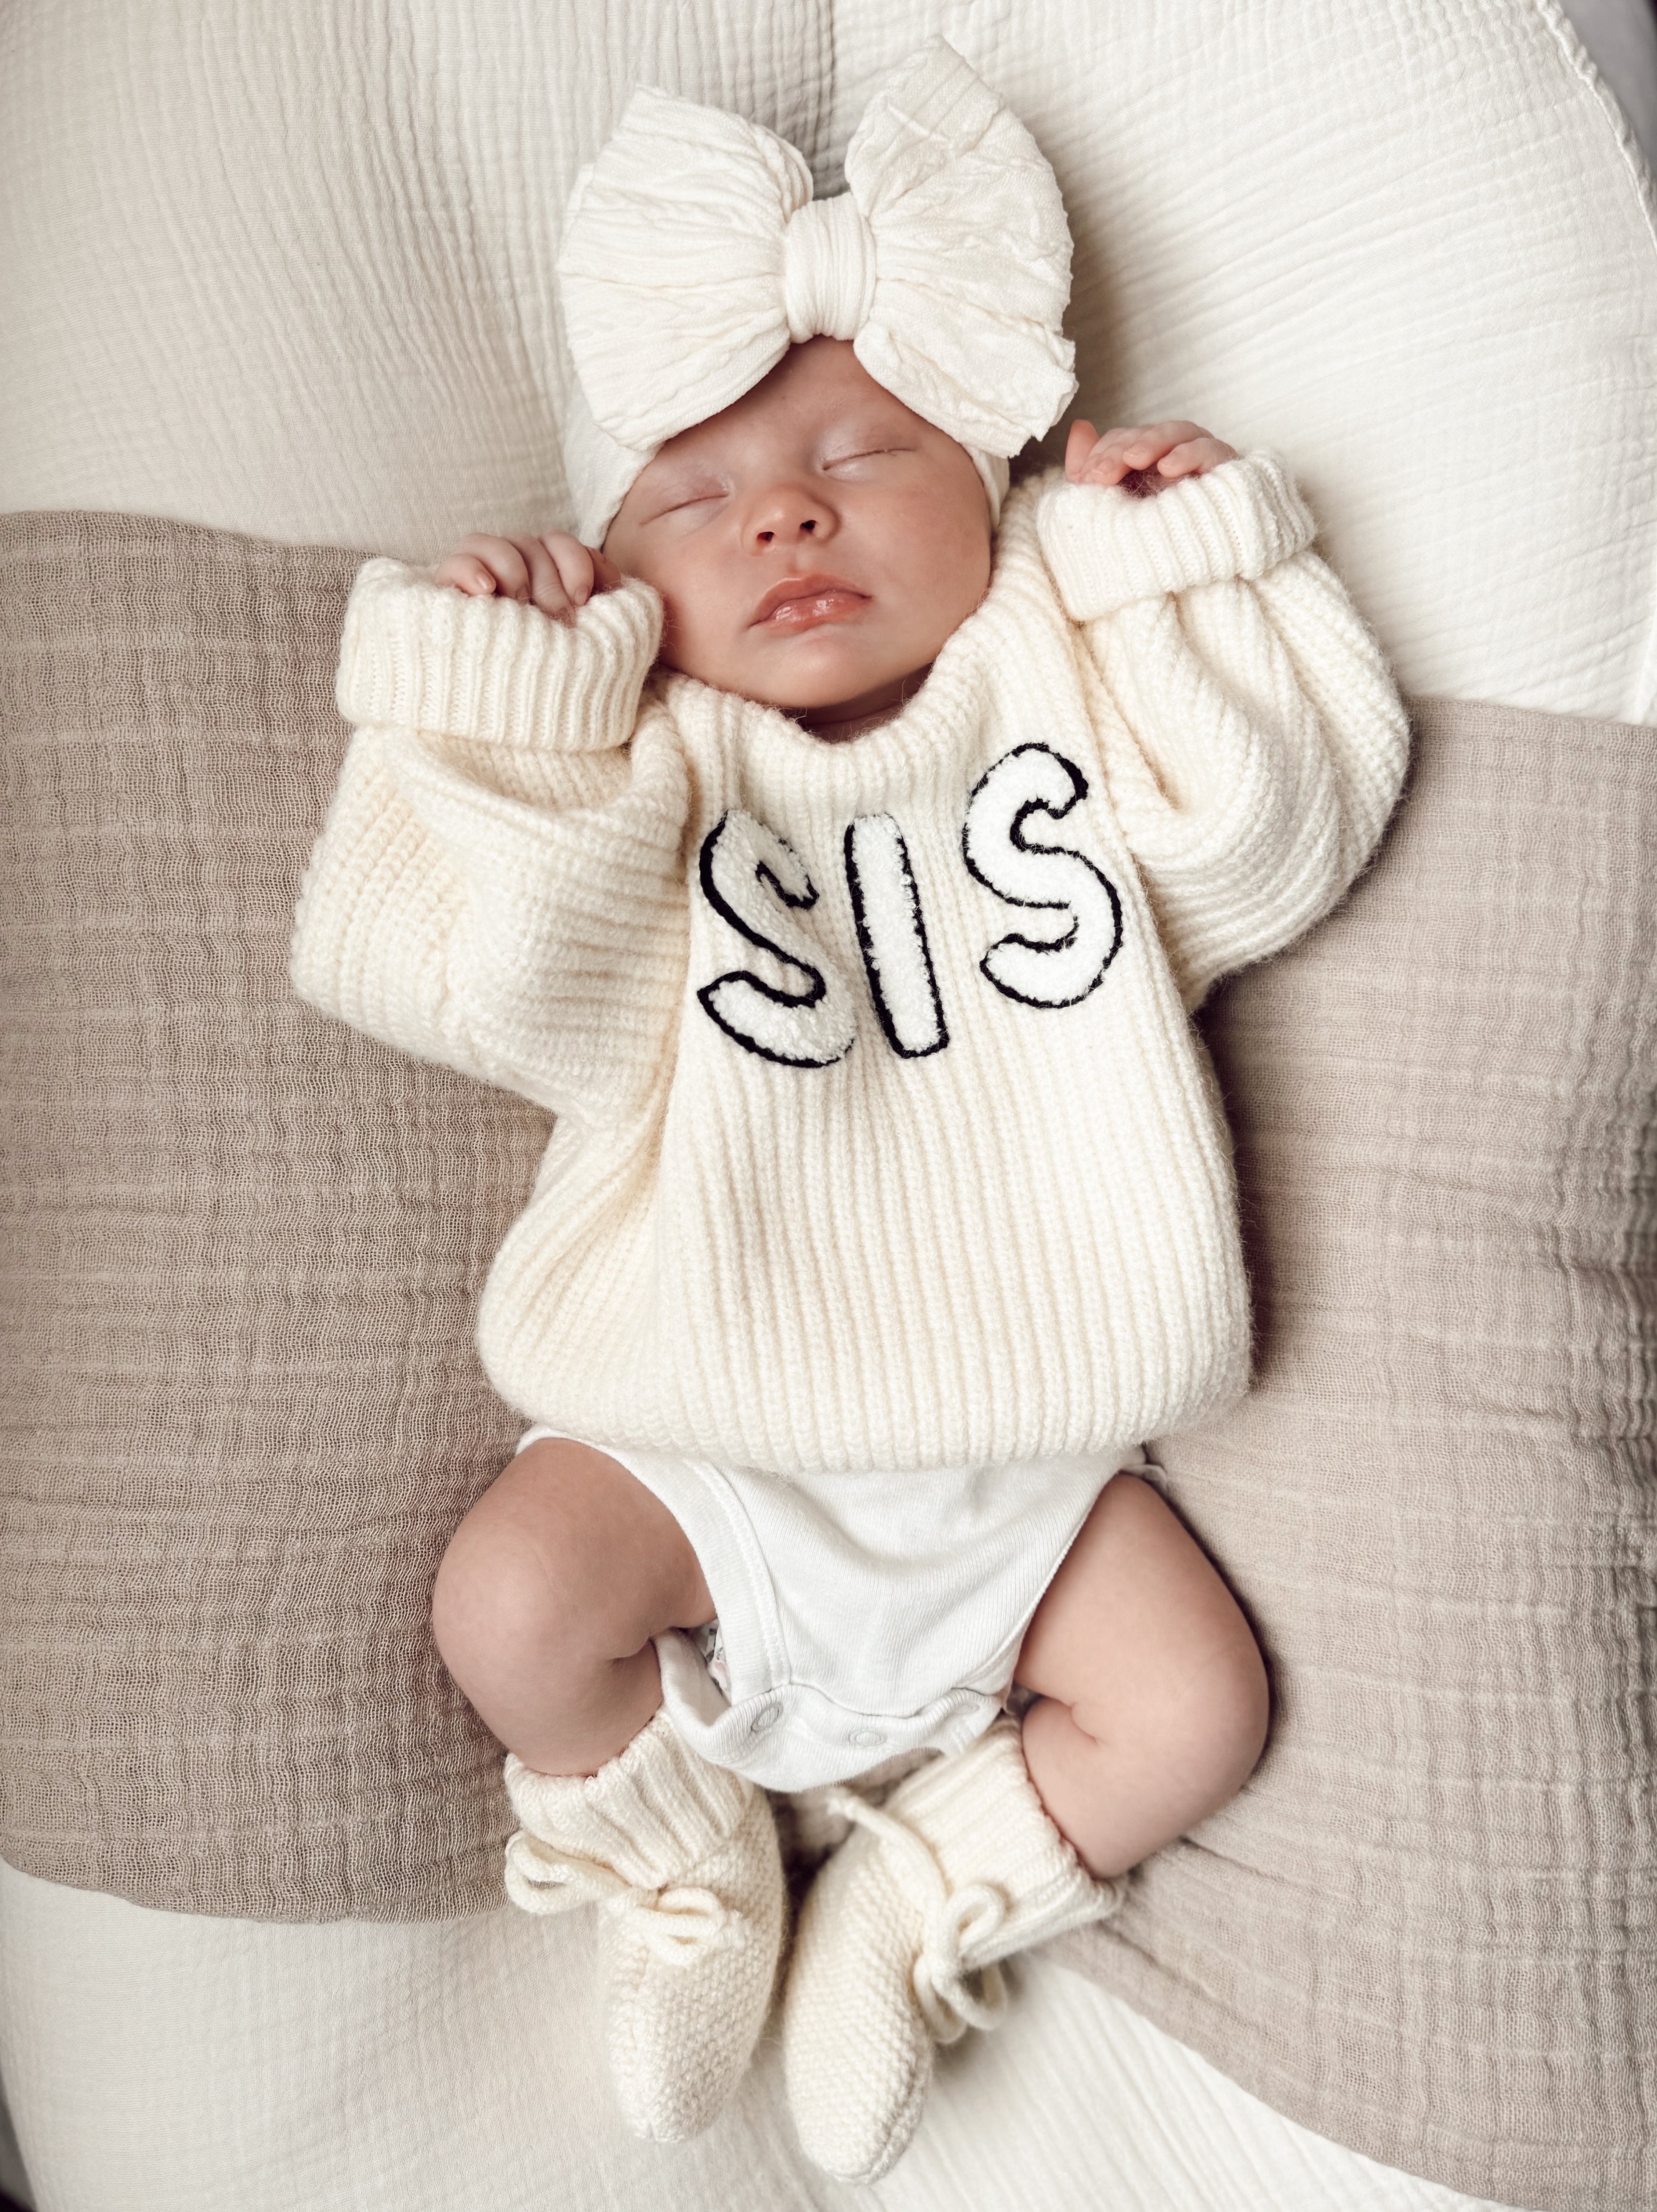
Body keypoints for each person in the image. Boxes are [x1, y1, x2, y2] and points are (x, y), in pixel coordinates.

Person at [289, 40, 1408, 2185]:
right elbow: (462, 976)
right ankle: (684, 1853)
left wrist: (1161, 568)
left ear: (990, 494)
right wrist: (514, 704)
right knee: (512, 1607)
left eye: (862, 457)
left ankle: (918, 1896)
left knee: (1192, 1706)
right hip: (698, 1425)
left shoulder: (1053, 696)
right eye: (692, 499)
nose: (782, 513)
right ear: (627, 574)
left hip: (1029, 1456)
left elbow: (1273, 837)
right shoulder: (652, 766)